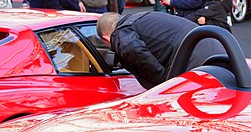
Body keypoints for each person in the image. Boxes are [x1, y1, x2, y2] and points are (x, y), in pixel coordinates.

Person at [96, 11, 225, 88]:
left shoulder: (120, 32)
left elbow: (134, 51)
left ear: (106, 38)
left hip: (192, 57)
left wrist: (163, 84)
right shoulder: (143, 18)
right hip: (218, 48)